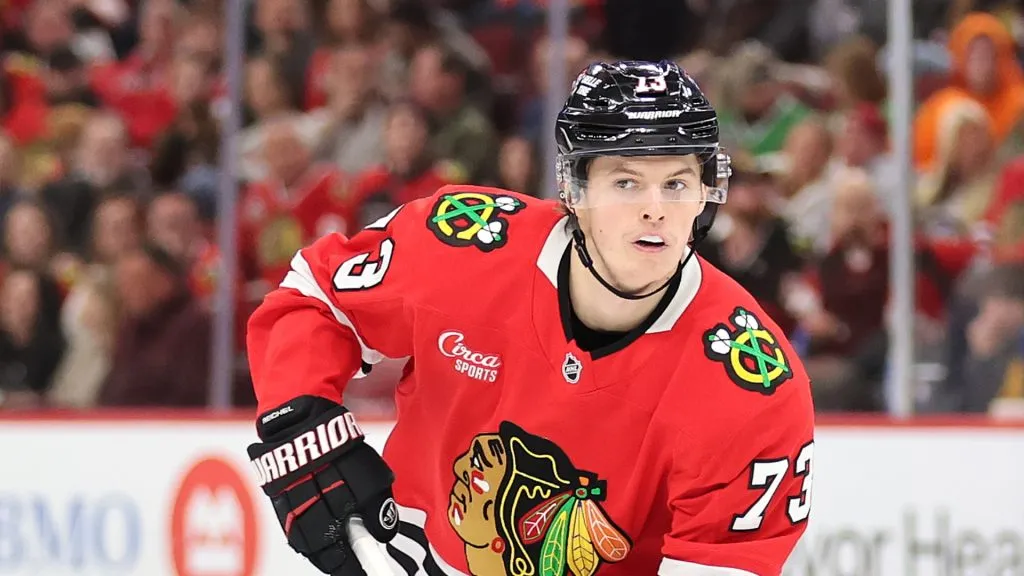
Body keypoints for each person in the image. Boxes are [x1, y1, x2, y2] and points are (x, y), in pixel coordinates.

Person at [245, 61, 815, 576]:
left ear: (706, 196)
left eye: (676, 183)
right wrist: (302, 423)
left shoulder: (751, 384)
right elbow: (315, 296)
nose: (654, 210)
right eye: (625, 182)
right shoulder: (466, 240)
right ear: (574, 189)